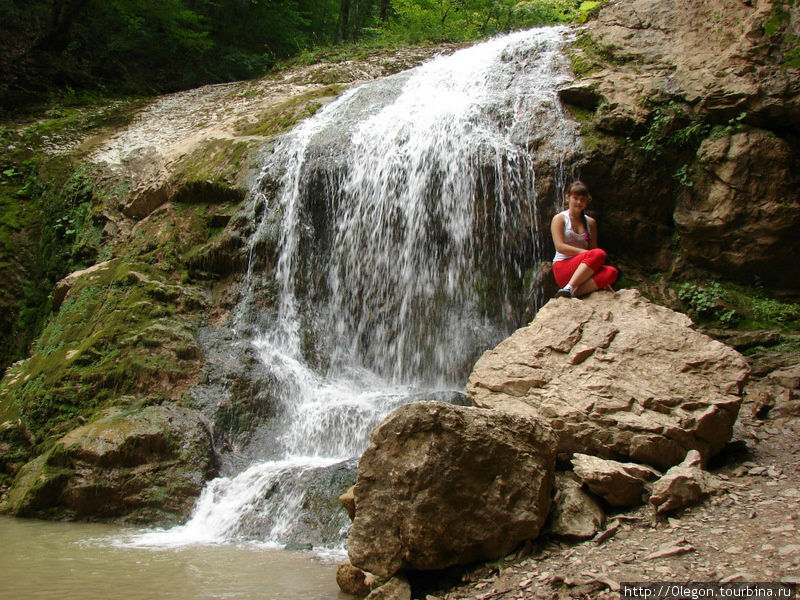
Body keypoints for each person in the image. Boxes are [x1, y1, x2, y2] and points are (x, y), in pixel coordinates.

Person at [550, 181, 618, 298]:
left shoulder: (590, 222)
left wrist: (602, 277)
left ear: (587, 200)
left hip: (584, 269)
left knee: (611, 272)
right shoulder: (560, 219)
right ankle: (568, 287)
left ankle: (571, 293)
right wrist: (587, 254)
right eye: (575, 198)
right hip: (563, 268)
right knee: (599, 254)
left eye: (582, 199)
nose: (578, 202)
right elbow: (560, 247)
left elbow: (594, 250)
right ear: (567, 197)